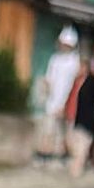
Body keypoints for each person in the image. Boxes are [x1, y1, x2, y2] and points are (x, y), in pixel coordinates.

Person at [35, 25, 82, 163]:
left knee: (64, 130)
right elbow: (49, 77)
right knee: (48, 127)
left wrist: (65, 103)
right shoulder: (55, 59)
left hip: (66, 101)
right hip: (52, 99)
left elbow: (72, 84)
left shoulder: (74, 62)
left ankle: (64, 154)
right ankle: (45, 152)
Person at [66, 29, 94, 176]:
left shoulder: (93, 82)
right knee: (73, 143)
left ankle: (77, 170)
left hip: (88, 120)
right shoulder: (77, 81)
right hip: (77, 118)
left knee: (82, 146)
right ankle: (78, 167)